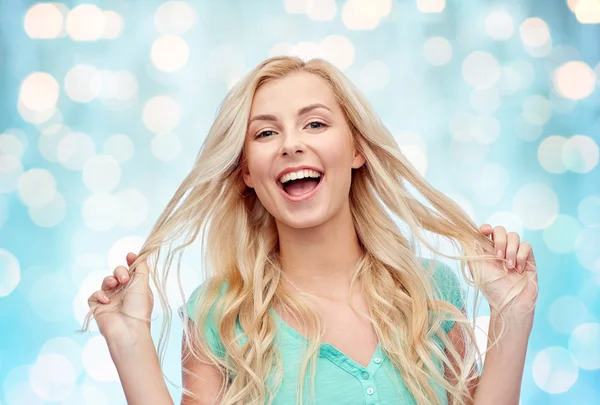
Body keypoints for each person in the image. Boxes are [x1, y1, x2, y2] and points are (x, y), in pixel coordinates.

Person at [82, 56, 538, 405]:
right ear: (245, 171)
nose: (291, 144)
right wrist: (130, 343)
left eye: (315, 124)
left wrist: (512, 313)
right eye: (264, 134)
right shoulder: (219, 315)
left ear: (357, 149)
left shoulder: (430, 293)